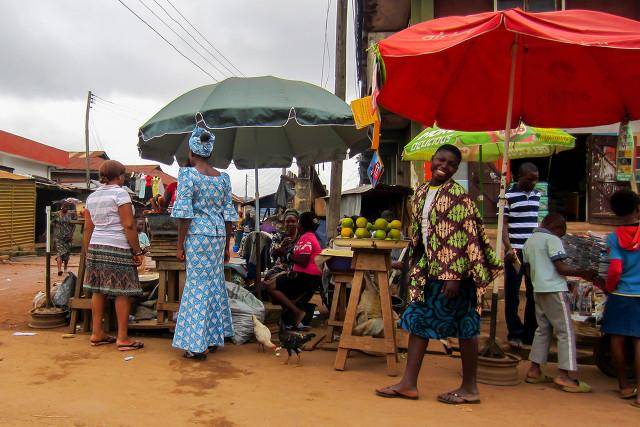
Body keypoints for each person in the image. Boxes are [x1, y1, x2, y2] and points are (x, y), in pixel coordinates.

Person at [376, 144, 501, 404]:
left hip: (456, 275)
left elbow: (462, 234)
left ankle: (470, 388)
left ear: (456, 169)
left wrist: (453, 275)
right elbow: (424, 234)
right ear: (432, 160)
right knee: (418, 319)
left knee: (466, 327)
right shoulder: (421, 192)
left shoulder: (458, 195)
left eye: (451, 164)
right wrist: (413, 265)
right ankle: (409, 384)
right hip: (430, 270)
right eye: (441, 160)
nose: (444, 166)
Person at [171, 126, 238, 361]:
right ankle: (212, 337)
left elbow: (185, 214)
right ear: (210, 152)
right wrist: (228, 245)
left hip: (198, 236)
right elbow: (229, 214)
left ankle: (197, 345)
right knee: (213, 284)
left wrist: (179, 245)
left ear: (191, 151)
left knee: (197, 286)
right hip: (218, 237)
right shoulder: (223, 178)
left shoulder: (188, 175)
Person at [523, 213, 595, 392]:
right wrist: (583, 272)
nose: (561, 236)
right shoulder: (552, 239)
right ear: (557, 228)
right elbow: (561, 267)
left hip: (538, 289)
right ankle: (565, 375)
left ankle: (534, 370)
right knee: (566, 331)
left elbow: (527, 268)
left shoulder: (529, 241)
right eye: (562, 232)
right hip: (555, 289)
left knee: (542, 330)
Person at [83, 160, 145, 351]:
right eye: (123, 175)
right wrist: (137, 251)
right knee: (123, 291)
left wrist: (87, 253)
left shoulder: (92, 197)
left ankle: (97, 333)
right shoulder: (120, 193)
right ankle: (123, 337)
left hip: (96, 246)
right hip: (117, 246)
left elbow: (88, 228)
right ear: (119, 176)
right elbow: (128, 225)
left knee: (98, 290)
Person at [601, 189, 640, 407]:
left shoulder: (614, 238)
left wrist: (609, 287)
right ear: (637, 209)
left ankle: (624, 385)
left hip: (620, 294)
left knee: (616, 338)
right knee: (638, 341)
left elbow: (615, 268)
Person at [502, 162, 541, 348]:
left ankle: (529, 332)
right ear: (520, 177)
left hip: (533, 252)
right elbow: (503, 224)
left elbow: (534, 221)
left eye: (536, 179)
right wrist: (508, 247)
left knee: (534, 293)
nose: (533, 182)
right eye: (530, 179)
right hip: (515, 252)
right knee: (512, 294)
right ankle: (514, 332)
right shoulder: (507, 196)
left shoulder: (537, 195)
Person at [266, 211, 322, 329]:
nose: (293, 225)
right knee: (275, 284)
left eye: (296, 222)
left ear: (300, 224)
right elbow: (275, 254)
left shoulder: (305, 238)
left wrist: (285, 254)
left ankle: (297, 312)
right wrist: (283, 248)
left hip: (305, 277)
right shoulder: (309, 236)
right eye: (288, 221)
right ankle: (293, 315)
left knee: (270, 286)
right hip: (307, 276)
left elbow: (302, 261)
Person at [264, 209, 299, 283]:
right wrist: (282, 245)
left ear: (297, 222)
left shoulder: (301, 236)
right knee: (268, 277)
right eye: (288, 222)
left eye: (293, 221)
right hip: (283, 266)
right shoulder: (278, 236)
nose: (290, 224)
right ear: (284, 223)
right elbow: (272, 253)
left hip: (297, 267)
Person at [53, 202, 76, 276]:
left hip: (67, 237)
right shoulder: (56, 214)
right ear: (61, 207)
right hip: (58, 237)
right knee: (59, 253)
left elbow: (74, 226)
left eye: (67, 207)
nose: (65, 208)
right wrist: (55, 226)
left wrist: (71, 235)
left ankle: (65, 267)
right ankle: (59, 270)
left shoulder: (70, 214)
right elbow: (51, 222)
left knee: (66, 253)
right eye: (64, 207)